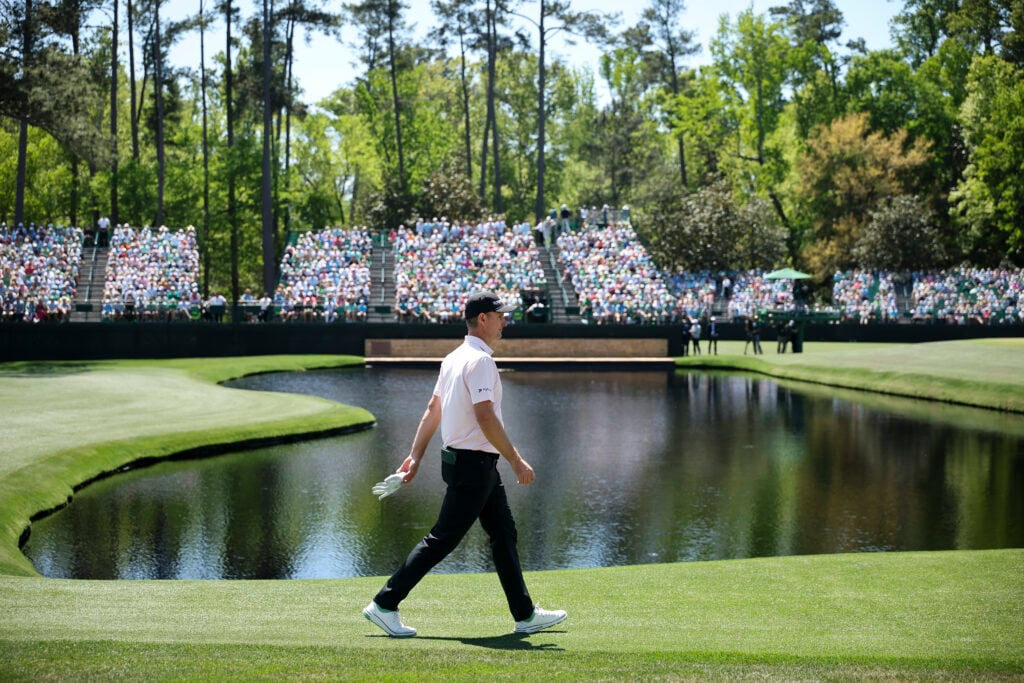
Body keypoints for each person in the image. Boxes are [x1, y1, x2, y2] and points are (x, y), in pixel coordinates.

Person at [363, 290, 567, 638]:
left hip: (472, 465)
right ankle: (384, 603)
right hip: (474, 466)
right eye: (500, 316)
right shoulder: (480, 361)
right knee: (442, 538)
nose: (505, 321)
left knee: (503, 534)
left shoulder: (454, 357)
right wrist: (516, 459)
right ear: (483, 319)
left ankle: (525, 614)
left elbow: (433, 410)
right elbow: (485, 416)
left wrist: (415, 456)